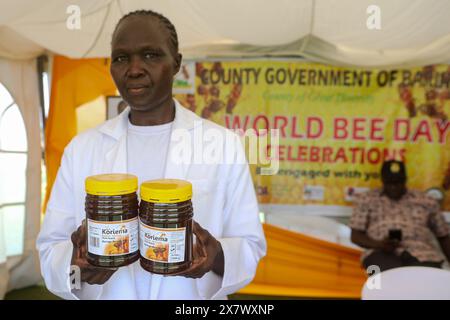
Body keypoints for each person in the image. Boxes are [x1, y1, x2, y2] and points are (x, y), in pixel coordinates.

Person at [36, 10, 266, 300]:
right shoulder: (82, 149)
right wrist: (75, 265)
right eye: (121, 58)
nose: (134, 69)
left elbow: (249, 246)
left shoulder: (222, 145)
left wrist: (216, 255)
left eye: (150, 55)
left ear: (177, 63)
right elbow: (50, 250)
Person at [350, 160, 450, 272]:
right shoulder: (366, 199)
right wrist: (379, 244)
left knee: (428, 281)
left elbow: (443, 236)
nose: (394, 187)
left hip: (422, 254)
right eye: (390, 183)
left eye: (398, 182)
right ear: (383, 180)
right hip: (379, 254)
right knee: (387, 278)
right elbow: (356, 235)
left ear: (405, 180)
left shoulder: (426, 201)